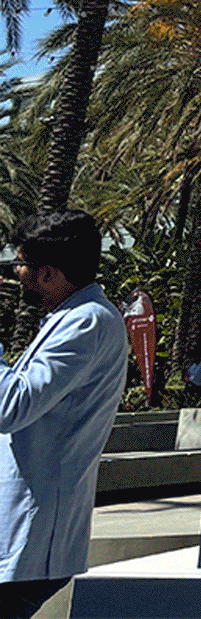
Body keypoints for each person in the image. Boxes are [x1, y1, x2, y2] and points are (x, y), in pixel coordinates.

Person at [0, 211, 127, 619]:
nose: (15, 273)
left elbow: (11, 407)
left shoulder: (88, 322)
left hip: (33, 540)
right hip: (25, 535)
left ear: (50, 273)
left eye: (20, 264)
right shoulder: (71, 318)